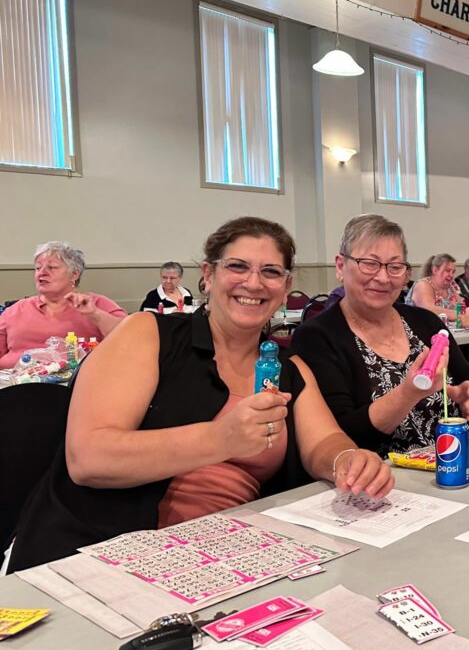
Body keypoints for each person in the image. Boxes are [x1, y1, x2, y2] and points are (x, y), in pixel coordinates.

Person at [9, 217, 392, 571]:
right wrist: (221, 438)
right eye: (238, 266)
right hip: (103, 549)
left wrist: (349, 461)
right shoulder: (149, 335)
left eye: (271, 271)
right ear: (208, 275)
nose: (254, 283)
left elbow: (323, 441)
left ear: (286, 286)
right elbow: (89, 459)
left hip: (227, 556)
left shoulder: (290, 367)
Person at [292, 215, 469, 454]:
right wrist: (407, 394)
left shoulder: (426, 323)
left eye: (395, 267)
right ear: (341, 266)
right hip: (380, 480)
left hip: (452, 465)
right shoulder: (317, 337)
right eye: (369, 264)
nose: (383, 278)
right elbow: (340, 437)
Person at [0, 242, 127, 368]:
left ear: (74, 274)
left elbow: (130, 338)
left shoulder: (97, 304)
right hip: (11, 383)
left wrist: (95, 314)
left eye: (52, 267)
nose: (42, 272)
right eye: (38, 268)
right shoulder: (15, 310)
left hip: (73, 384)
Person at [409, 253, 469, 329]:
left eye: (453, 271)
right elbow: (430, 310)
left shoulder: (450, 287)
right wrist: (462, 314)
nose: (451, 275)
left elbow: (462, 306)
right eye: (448, 271)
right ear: (435, 270)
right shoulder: (422, 285)